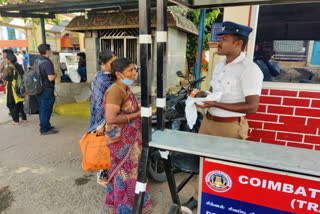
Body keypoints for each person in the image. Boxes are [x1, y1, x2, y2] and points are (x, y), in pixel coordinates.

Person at [184, 21, 264, 211]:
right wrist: (203, 96)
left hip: (229, 127)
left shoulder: (249, 69)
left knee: (228, 169)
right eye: (220, 38)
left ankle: (225, 204)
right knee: (203, 163)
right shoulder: (220, 65)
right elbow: (215, 92)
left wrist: (215, 103)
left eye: (224, 39)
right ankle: (198, 196)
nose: (219, 43)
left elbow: (252, 107)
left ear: (238, 44)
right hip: (208, 122)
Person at [104, 58, 152, 214]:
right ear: (118, 74)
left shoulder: (126, 88)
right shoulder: (115, 91)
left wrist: (139, 109)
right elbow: (111, 118)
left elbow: (127, 108)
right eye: (130, 70)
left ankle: (135, 205)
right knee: (123, 174)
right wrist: (138, 114)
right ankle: (122, 208)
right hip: (121, 142)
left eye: (134, 69)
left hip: (132, 140)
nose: (134, 73)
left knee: (134, 172)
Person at [88, 50, 117, 135]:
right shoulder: (100, 78)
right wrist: (100, 124)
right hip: (107, 117)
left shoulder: (117, 74)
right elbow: (99, 102)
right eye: (112, 63)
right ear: (103, 64)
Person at [37, 44, 58, 135]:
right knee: (46, 108)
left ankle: (45, 124)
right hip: (46, 89)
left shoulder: (38, 60)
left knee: (42, 108)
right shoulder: (47, 62)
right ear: (47, 51)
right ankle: (44, 129)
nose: (51, 51)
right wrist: (55, 75)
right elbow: (50, 78)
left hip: (39, 88)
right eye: (50, 49)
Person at [2, 54, 27, 125]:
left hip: (12, 88)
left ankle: (15, 121)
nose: (6, 60)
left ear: (9, 60)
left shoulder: (9, 68)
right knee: (20, 103)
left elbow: (4, 77)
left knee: (12, 103)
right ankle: (24, 118)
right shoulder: (18, 66)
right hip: (20, 87)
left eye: (6, 59)